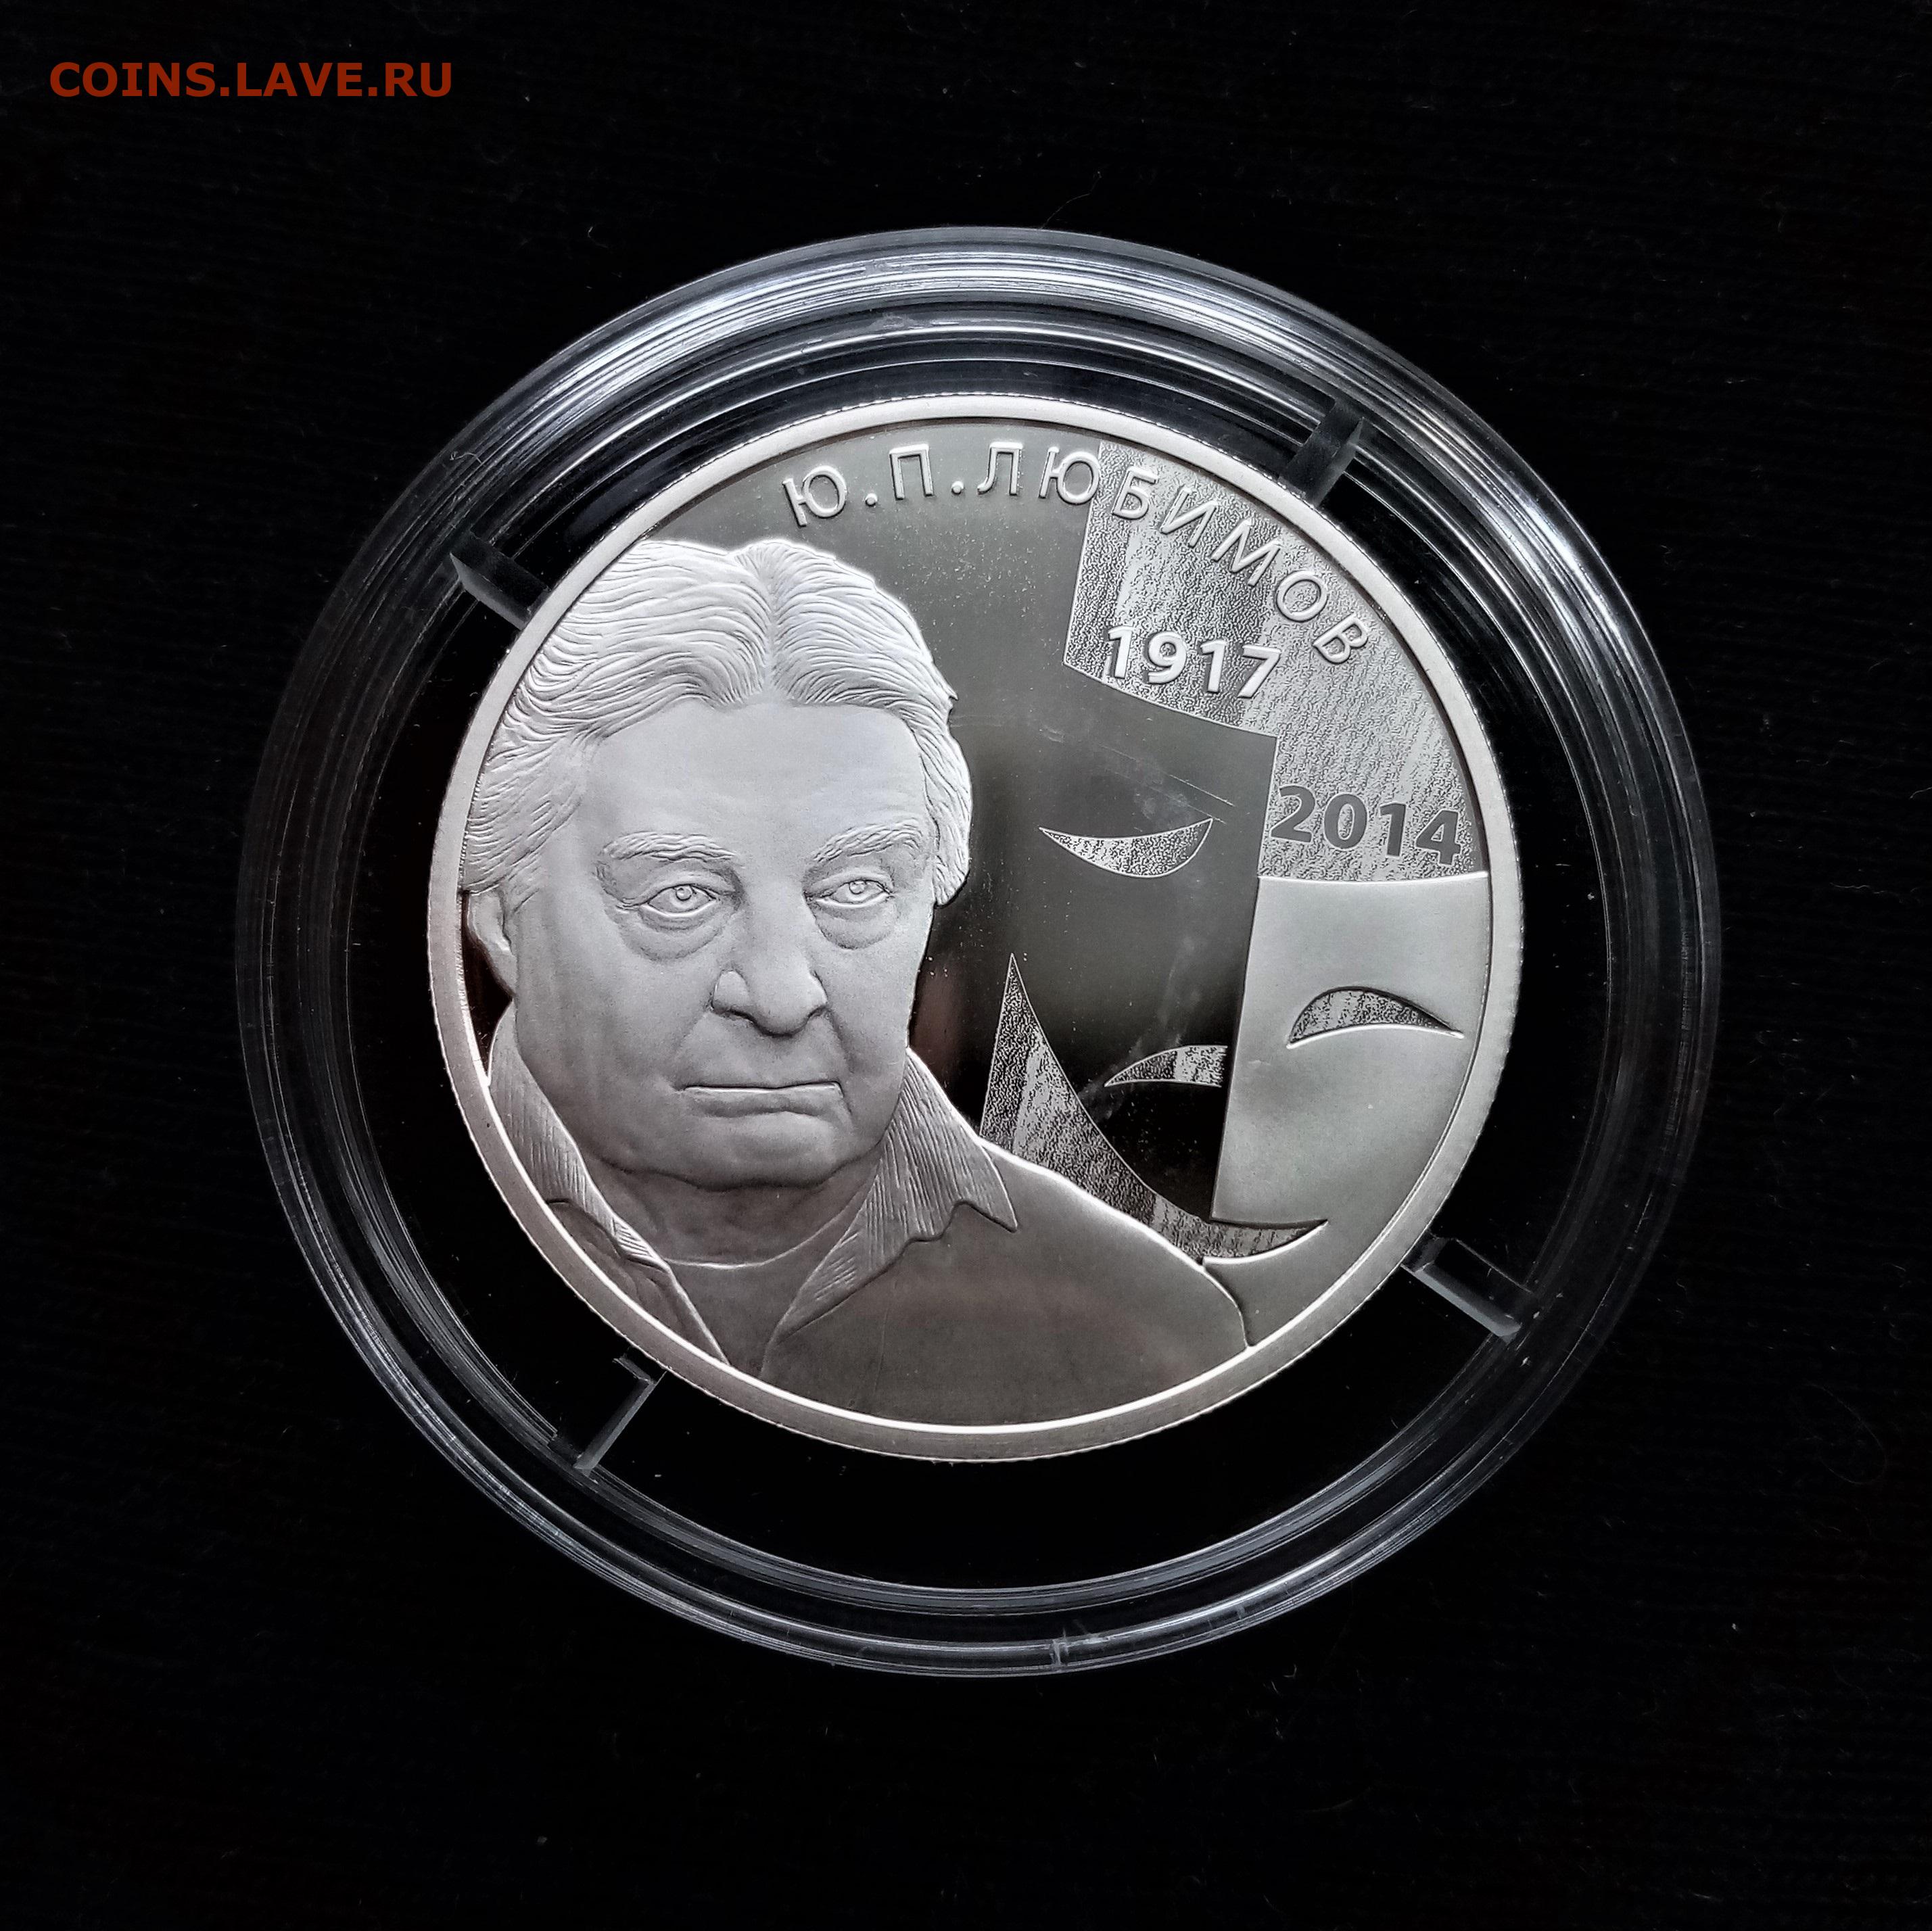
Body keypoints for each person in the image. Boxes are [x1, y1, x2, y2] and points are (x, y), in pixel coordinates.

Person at [461, 536, 1244, 1425]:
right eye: (681, 896)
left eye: (856, 889)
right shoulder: (397, 1244)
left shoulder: (1154, 1335)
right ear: (501, 920)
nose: (781, 997)